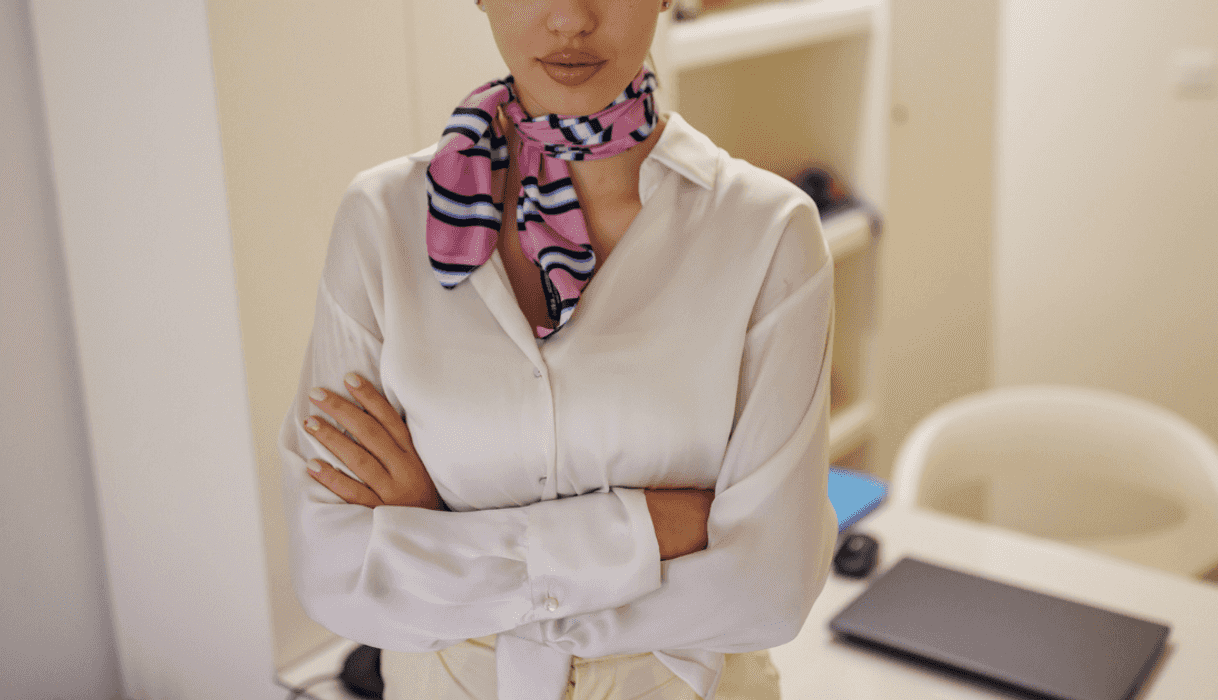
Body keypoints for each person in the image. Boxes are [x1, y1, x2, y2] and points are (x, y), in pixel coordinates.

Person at [277, 0, 839, 698]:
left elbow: (765, 590)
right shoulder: (380, 218)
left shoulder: (766, 230)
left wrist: (435, 531)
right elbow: (335, 572)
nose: (570, 19)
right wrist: (642, 532)